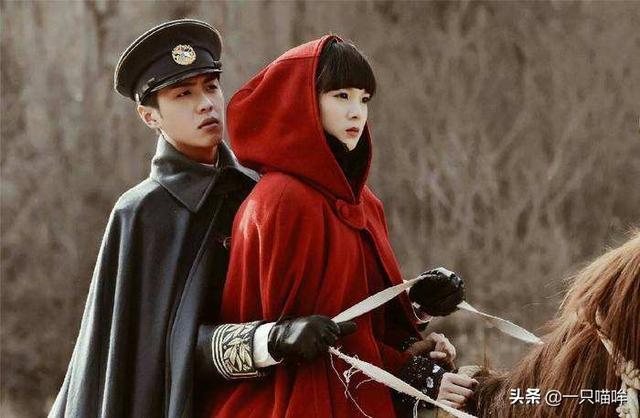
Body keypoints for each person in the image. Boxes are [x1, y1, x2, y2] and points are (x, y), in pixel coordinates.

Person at [206, 35, 475, 418]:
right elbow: (319, 339)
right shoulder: (282, 200)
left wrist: (417, 307)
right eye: (341, 96)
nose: (356, 113)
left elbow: (364, 324)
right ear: (302, 102)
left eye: (364, 99)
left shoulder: (364, 201)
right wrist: (415, 377)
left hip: (350, 394)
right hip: (291, 402)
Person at [50, 19, 279, 418]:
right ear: (149, 116)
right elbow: (144, 360)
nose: (206, 103)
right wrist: (260, 342)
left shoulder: (256, 195)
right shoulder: (139, 214)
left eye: (211, 86)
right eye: (183, 94)